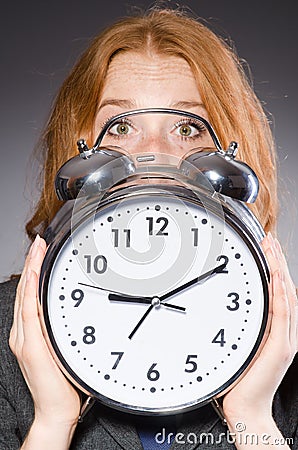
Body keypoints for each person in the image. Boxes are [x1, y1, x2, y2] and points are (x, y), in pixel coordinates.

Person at [0, 6, 297, 450]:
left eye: (186, 126)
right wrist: (52, 422)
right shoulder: (5, 324)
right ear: (81, 147)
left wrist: (251, 416)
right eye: (121, 126)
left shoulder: (287, 334)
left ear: (229, 149)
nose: (153, 151)